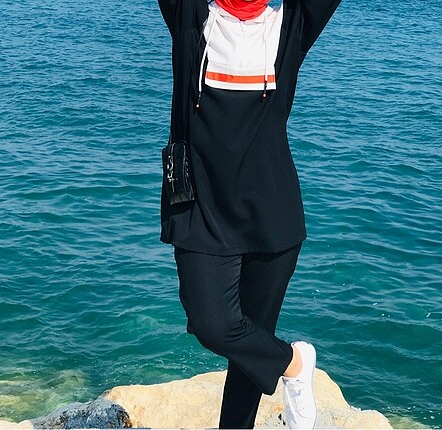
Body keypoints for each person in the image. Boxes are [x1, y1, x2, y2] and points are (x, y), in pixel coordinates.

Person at [157, 0, 341, 428]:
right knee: (212, 325)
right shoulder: (192, 20)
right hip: (201, 213)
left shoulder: (289, 26)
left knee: (248, 359)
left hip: (272, 219)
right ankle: (294, 363)